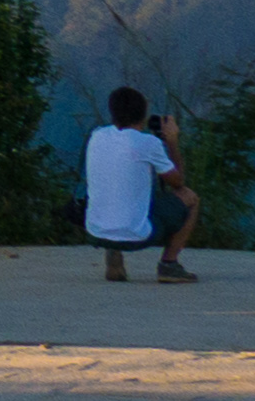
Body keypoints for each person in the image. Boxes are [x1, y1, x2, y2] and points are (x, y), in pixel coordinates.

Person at [84, 86, 200, 284]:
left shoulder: (97, 136)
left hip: (95, 232)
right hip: (136, 236)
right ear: (144, 115)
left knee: (120, 192)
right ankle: (169, 265)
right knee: (190, 198)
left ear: (113, 112)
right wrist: (172, 141)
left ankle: (113, 252)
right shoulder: (147, 143)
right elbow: (178, 183)